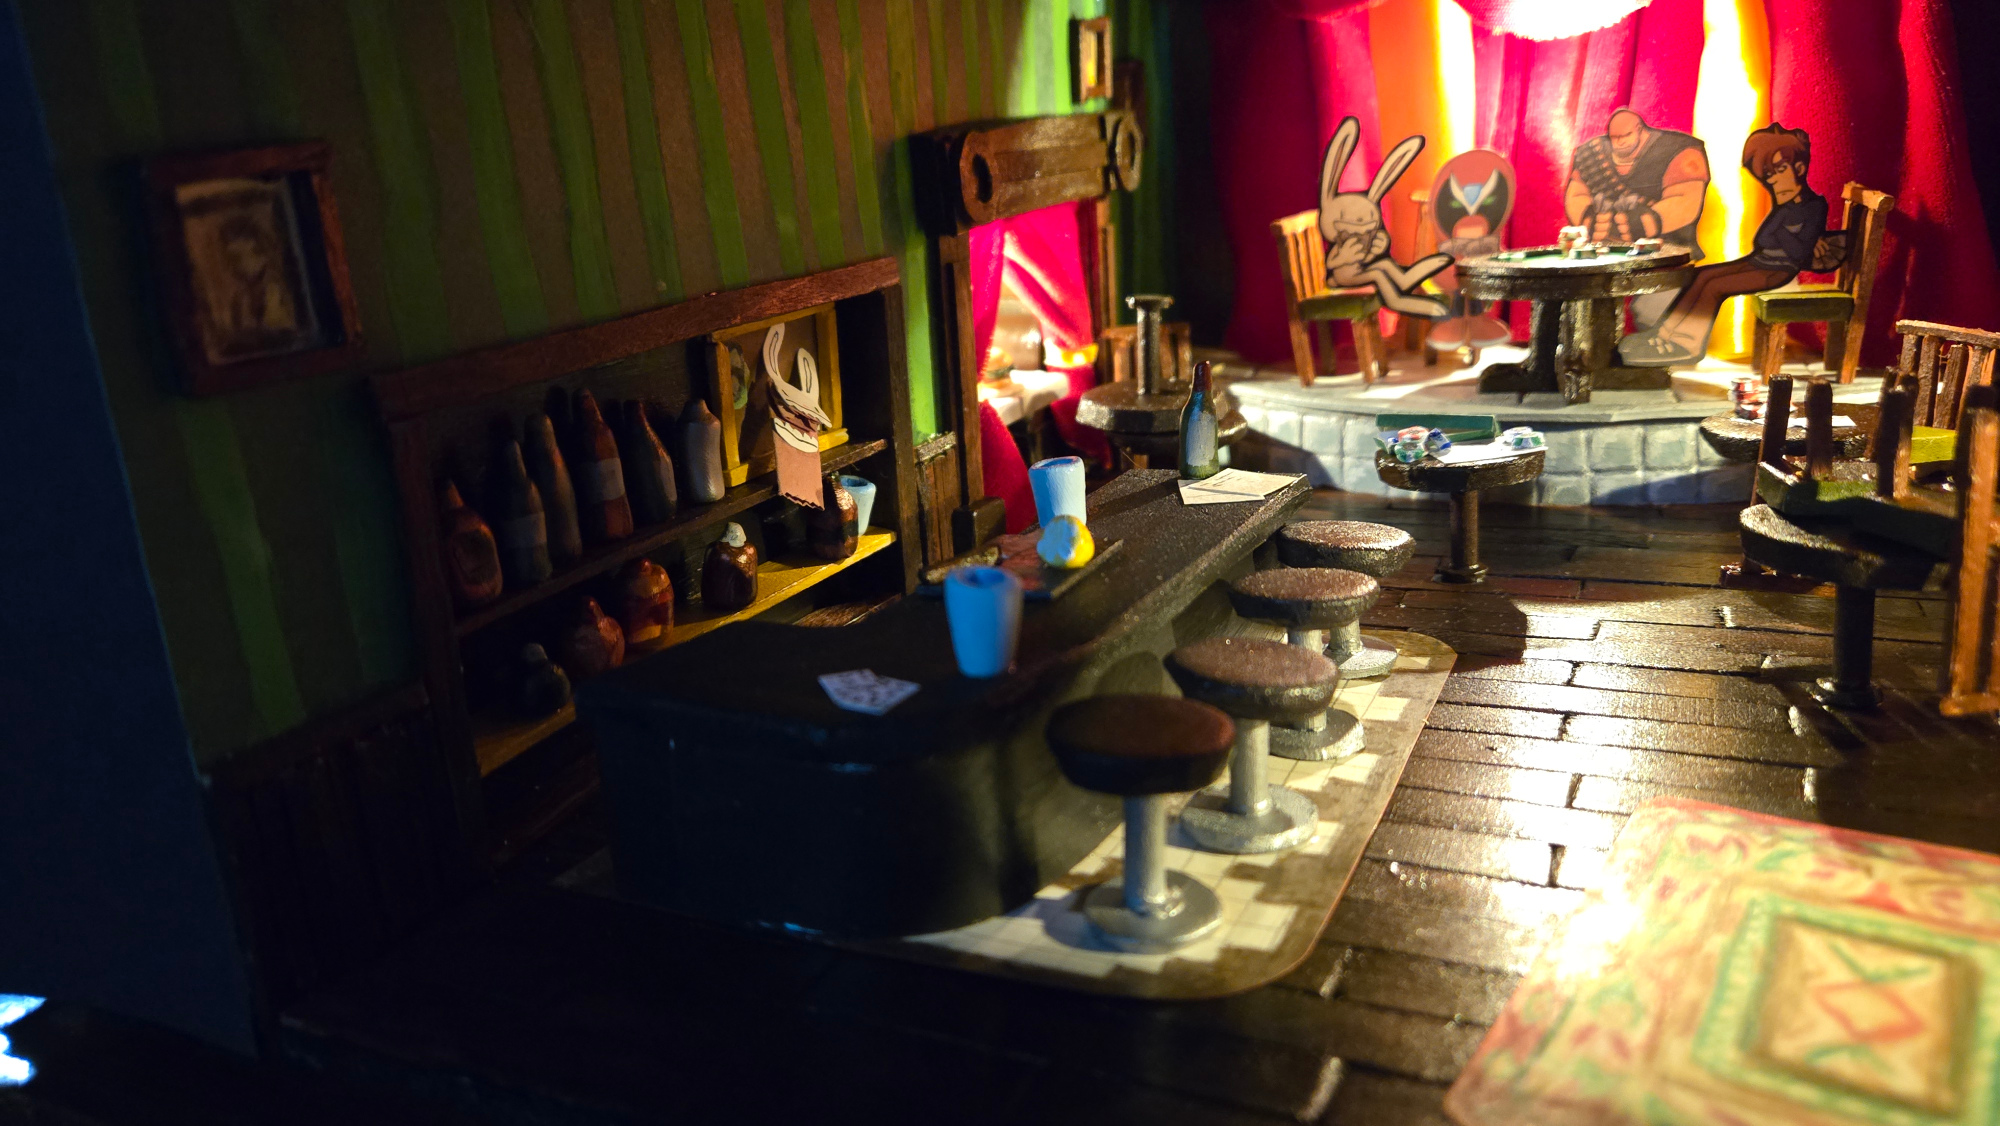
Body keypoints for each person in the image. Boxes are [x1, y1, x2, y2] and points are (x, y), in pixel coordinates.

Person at [1617, 124, 1828, 367]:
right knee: (1702, 276)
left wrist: (1799, 240)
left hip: (1777, 271)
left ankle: (1686, 343)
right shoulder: (1786, 207)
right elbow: (1766, 239)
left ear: (1799, 169)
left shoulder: (1811, 206)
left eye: (1779, 170)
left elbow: (1789, 248)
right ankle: (1664, 337)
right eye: (1768, 173)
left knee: (1714, 286)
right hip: (1761, 262)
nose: (1773, 179)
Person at [1565, 108, 1710, 327]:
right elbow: (1577, 194)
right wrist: (1589, 221)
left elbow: (1685, 200)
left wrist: (1645, 223)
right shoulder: (1590, 153)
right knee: (1586, 314)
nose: (1620, 143)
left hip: (1665, 260)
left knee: (1653, 315)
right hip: (1602, 260)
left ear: (1640, 130)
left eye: (1625, 136)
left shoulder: (1681, 150)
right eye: (1615, 138)